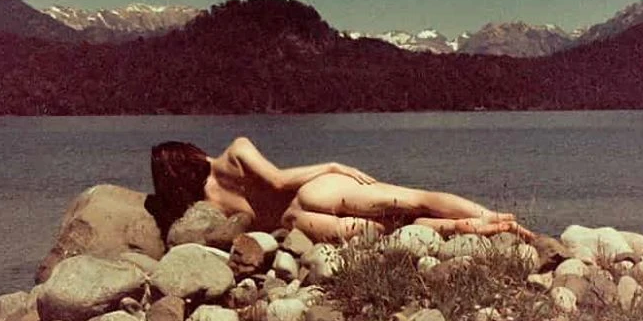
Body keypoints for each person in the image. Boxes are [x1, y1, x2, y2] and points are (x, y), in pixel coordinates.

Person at [146, 136, 534, 243]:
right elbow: (279, 181)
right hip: (314, 190)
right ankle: (495, 219)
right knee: (414, 200)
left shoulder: (205, 204)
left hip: (295, 221)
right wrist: (331, 165)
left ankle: (476, 229)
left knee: (391, 231)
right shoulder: (236, 151)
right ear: (191, 153)